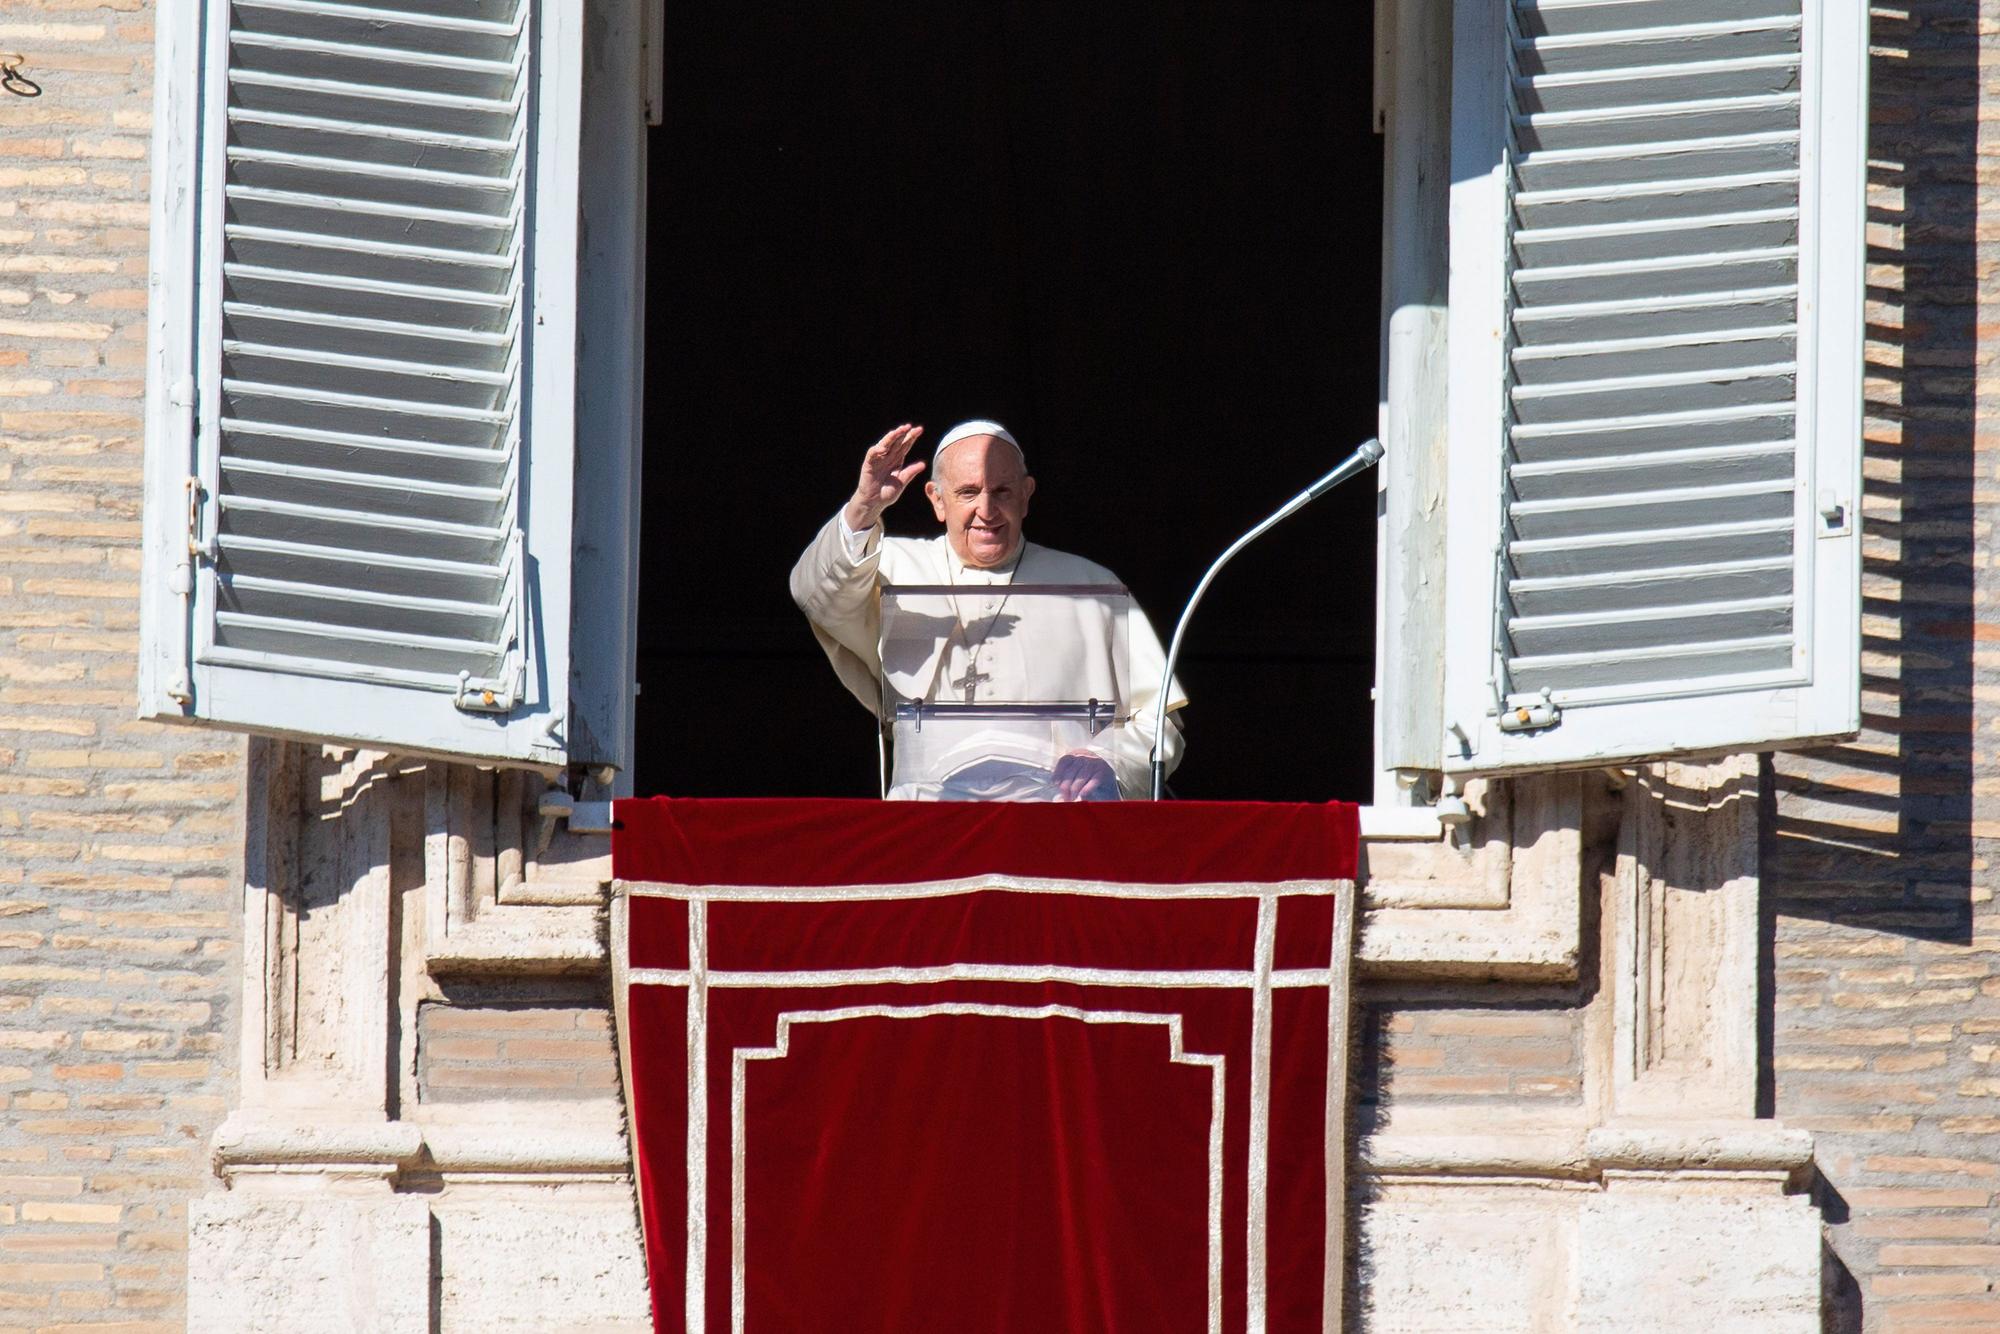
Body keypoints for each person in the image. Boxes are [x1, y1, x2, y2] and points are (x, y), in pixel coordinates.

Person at [791, 420, 1185, 800]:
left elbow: (1160, 718)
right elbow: (813, 591)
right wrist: (863, 507)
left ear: (1027, 495)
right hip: (929, 818)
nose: (987, 509)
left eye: (1002, 491)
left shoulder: (1093, 587)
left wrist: (1109, 761)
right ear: (936, 499)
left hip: (1056, 822)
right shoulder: (888, 568)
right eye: (967, 492)